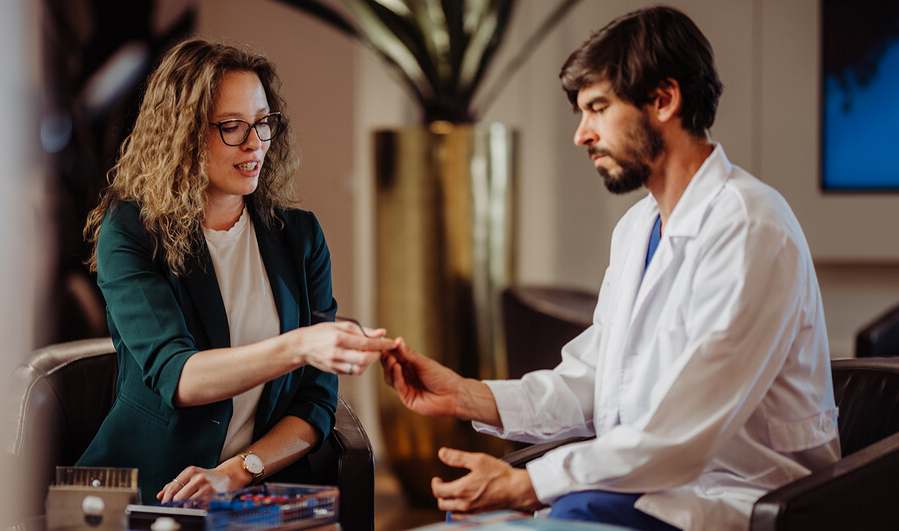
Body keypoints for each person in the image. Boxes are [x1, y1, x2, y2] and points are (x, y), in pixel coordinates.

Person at [381, 6, 840, 530]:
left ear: (664, 100)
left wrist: (530, 483)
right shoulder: (638, 228)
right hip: (642, 492)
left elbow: (682, 434)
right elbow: (593, 382)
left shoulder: (752, 229)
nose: (582, 134)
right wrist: (466, 395)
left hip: (734, 499)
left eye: (598, 108)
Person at [76, 38, 396, 504]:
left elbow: (316, 402)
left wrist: (238, 471)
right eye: (232, 126)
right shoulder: (131, 231)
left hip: (250, 498)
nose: (255, 144)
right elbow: (179, 377)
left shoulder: (300, 237)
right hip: (145, 495)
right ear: (180, 134)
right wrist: (301, 344)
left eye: (263, 123)